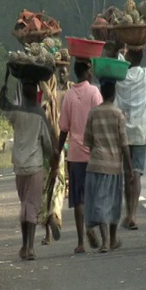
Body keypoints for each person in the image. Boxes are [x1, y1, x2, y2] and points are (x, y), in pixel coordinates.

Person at [0, 77, 55, 260]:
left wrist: (4, 89)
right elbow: (46, 142)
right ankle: (30, 247)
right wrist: (52, 157)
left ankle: (24, 246)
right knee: (31, 206)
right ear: (36, 93)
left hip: (19, 167)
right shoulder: (39, 114)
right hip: (35, 165)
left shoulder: (17, 112)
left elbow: (4, 107)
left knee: (24, 204)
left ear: (23, 93)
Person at [52, 59, 103, 254]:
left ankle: (81, 242)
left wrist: (58, 151)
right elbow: (98, 121)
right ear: (87, 72)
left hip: (75, 156)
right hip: (93, 154)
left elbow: (63, 128)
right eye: (90, 70)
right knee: (94, 196)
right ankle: (93, 226)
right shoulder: (95, 93)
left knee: (79, 200)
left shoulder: (70, 96)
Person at [83, 78, 133, 252]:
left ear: (102, 94)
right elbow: (124, 143)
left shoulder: (93, 113)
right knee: (111, 203)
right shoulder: (118, 114)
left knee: (100, 201)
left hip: (96, 164)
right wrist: (129, 167)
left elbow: (88, 141)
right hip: (114, 167)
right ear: (114, 94)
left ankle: (110, 240)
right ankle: (107, 241)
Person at [115, 48, 146, 230]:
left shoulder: (121, 77)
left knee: (125, 173)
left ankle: (128, 213)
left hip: (123, 132)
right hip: (140, 131)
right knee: (136, 173)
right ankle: (133, 215)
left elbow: (116, 60)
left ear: (127, 57)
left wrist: (117, 46)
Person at [38, 74, 66, 245]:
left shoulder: (39, 100)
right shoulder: (61, 96)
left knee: (44, 188)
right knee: (58, 185)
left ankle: (47, 234)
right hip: (58, 145)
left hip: (42, 149)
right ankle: (54, 213)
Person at [55, 64, 74, 199]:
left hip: (70, 127)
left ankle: (68, 185)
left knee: (69, 159)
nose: (61, 75)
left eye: (63, 72)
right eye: (59, 72)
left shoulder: (72, 88)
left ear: (68, 73)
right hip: (57, 126)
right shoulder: (53, 88)